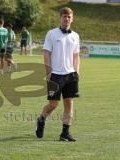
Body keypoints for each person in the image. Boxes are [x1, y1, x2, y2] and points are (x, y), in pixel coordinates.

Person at [35, 7, 80, 142]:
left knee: (69, 103)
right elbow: (47, 53)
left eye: (69, 17)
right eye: (64, 17)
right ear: (60, 18)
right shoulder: (52, 34)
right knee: (53, 104)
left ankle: (65, 133)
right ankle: (41, 120)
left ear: (72, 19)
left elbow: (76, 55)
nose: (66, 19)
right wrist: (48, 72)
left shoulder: (75, 36)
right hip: (55, 75)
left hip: (71, 75)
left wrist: (77, 72)